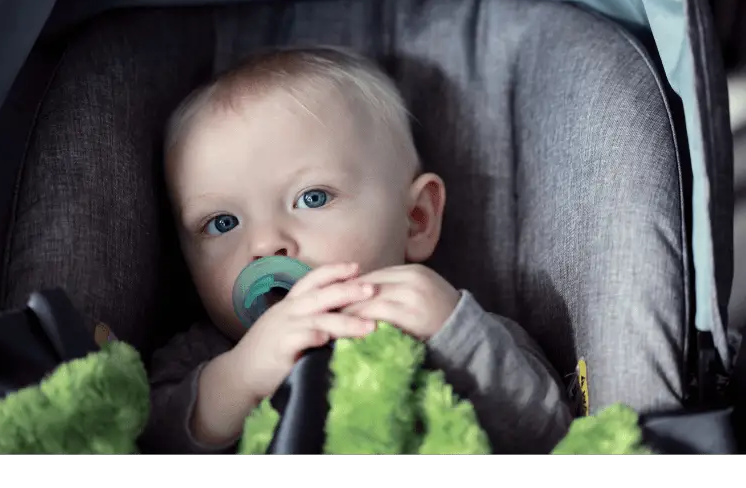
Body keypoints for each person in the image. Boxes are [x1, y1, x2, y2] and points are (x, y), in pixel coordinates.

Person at [142, 46, 573, 455]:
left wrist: (458, 337)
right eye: (222, 223)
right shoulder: (205, 356)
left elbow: (553, 434)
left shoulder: (452, 327)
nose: (264, 244)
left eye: (312, 198)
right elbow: (145, 440)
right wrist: (238, 379)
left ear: (416, 218)